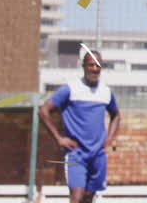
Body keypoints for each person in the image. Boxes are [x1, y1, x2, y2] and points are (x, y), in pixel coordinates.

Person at [39, 49, 120, 203]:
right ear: (83, 66)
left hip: (97, 154)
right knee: (76, 197)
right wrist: (59, 138)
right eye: (91, 65)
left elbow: (116, 115)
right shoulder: (70, 89)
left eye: (98, 66)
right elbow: (43, 111)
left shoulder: (106, 92)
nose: (95, 69)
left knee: (89, 197)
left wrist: (109, 138)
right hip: (76, 154)